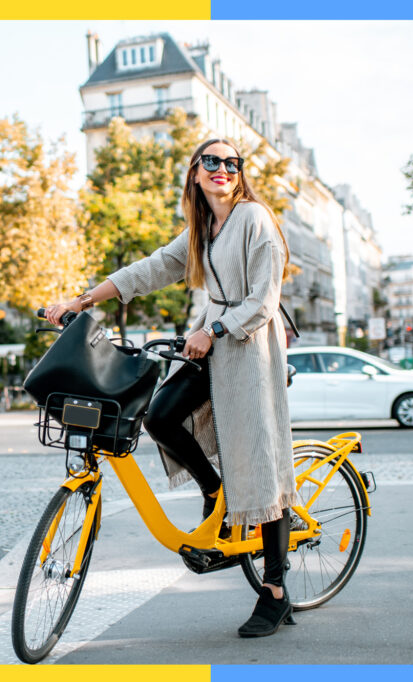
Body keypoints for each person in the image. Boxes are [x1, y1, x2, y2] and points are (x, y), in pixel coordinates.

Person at [45, 138, 299, 638]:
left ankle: (275, 592)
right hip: (210, 344)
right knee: (160, 416)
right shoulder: (202, 229)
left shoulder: (254, 219)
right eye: (212, 161)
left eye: (231, 162)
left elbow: (265, 299)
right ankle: (214, 488)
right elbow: (152, 268)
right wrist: (82, 300)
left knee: (259, 463)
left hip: (248, 348)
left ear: (239, 173)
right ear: (195, 173)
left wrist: (215, 330)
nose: (222, 168)